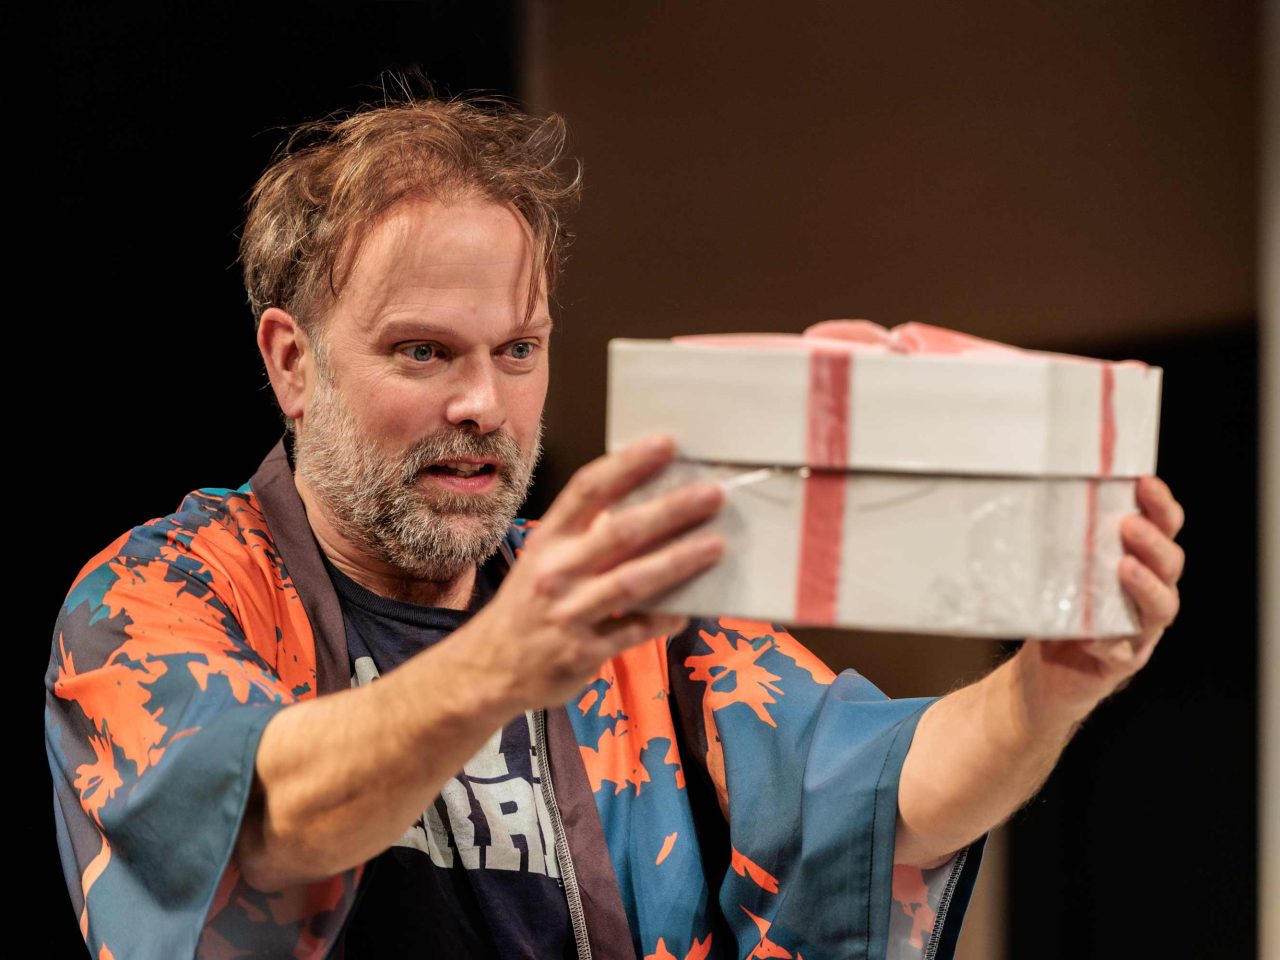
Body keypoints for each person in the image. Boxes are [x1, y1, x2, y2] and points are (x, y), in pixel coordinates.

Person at [45, 95, 1186, 960]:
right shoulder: (161, 595)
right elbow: (261, 818)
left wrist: (1047, 690)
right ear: (293, 363)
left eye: (518, 350)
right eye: (423, 351)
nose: (482, 402)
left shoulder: (618, 610)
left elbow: (879, 797)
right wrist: (501, 663)